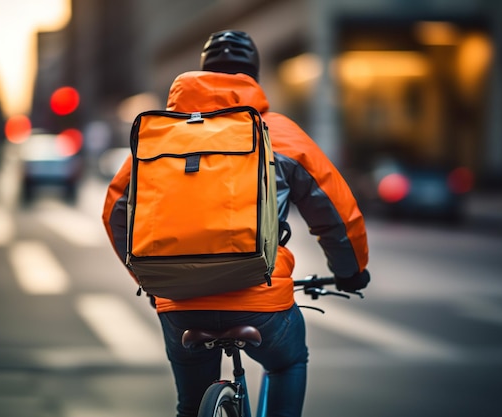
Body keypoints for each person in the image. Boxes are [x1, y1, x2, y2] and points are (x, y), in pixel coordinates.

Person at [102, 30, 370, 417]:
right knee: (287, 362)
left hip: (181, 304)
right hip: (260, 298)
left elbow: (116, 211)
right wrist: (350, 271)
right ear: (253, 77)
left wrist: (150, 276)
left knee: (191, 407)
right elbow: (336, 214)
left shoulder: (162, 134)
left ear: (203, 71)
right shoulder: (279, 133)